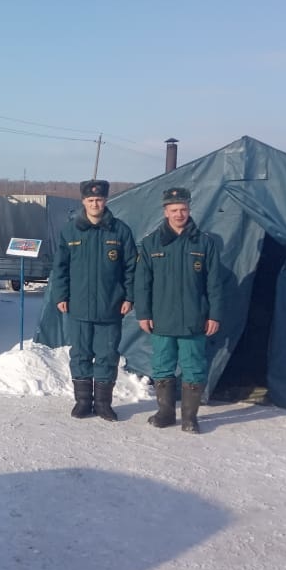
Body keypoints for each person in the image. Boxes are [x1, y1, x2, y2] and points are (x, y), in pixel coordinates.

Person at [135, 187, 225, 433]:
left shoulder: (204, 243)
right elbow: (142, 283)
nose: (179, 214)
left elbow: (214, 283)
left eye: (183, 209)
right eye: (174, 210)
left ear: (189, 210)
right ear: (165, 212)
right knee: (162, 366)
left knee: (194, 367)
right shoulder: (151, 243)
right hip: (161, 320)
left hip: (193, 320)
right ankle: (165, 414)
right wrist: (143, 313)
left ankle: (189, 418)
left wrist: (214, 314)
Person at [51, 179, 137, 421]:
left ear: (106, 201)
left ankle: (103, 404)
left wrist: (129, 296)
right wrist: (61, 295)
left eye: (99, 199)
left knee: (107, 354)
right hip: (78, 306)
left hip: (111, 306)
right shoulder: (71, 231)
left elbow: (131, 267)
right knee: (80, 354)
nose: (95, 203)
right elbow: (60, 267)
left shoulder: (120, 231)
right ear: (83, 202)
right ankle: (83, 401)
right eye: (90, 200)